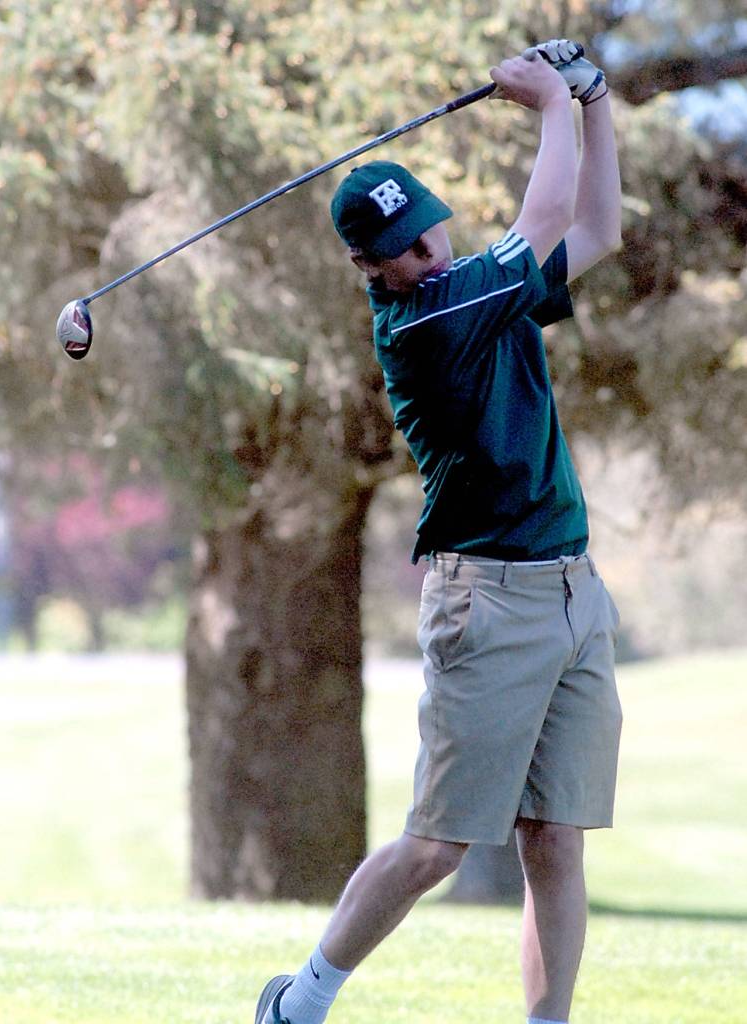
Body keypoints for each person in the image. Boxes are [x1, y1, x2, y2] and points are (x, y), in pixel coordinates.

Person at [255, 39, 623, 1024]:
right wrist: (547, 101)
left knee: (555, 837)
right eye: (405, 252)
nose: (429, 255)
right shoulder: (422, 325)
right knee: (437, 846)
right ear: (369, 269)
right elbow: (544, 213)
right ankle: (300, 998)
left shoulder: (478, 290)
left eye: (431, 235)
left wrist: (592, 102)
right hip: (486, 602)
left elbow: (594, 226)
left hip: (570, 592)